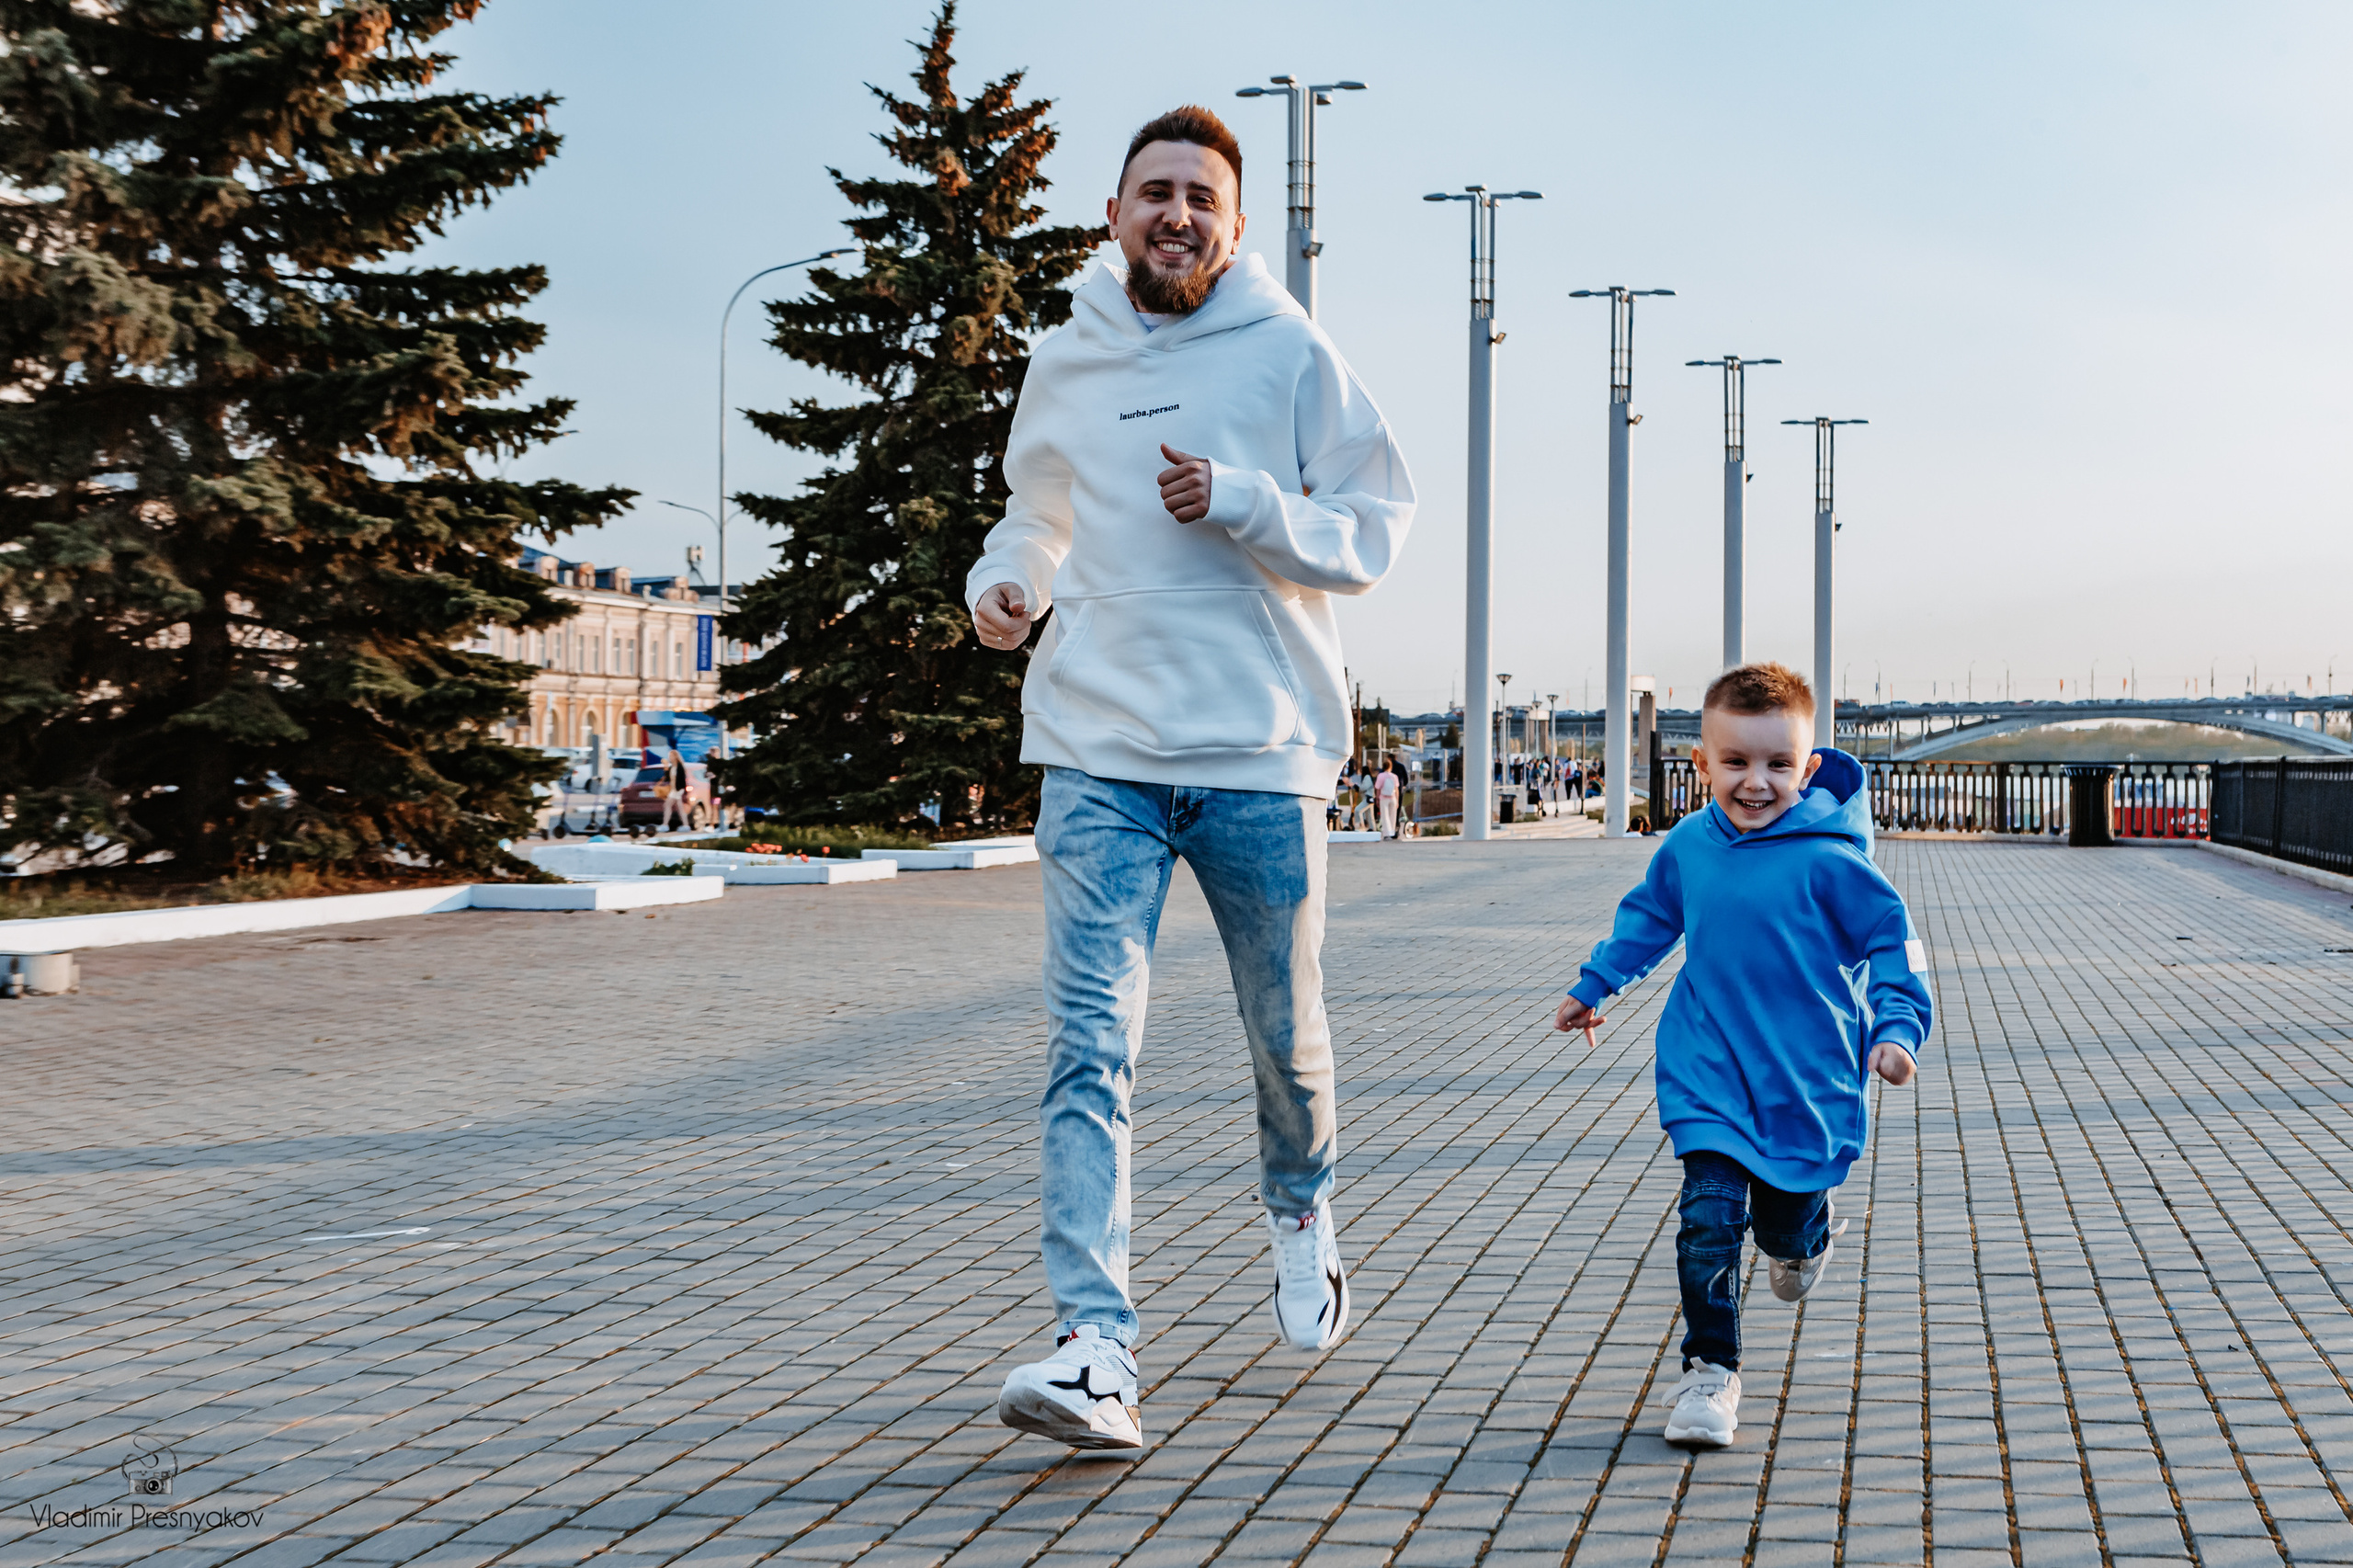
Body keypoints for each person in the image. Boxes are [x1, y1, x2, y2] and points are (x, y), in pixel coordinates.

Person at [968, 105, 1415, 1452]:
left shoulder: (1290, 353)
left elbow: (1373, 529)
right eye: (1152, 192)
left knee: (1283, 1033)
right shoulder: (1070, 356)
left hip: (1258, 752)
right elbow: (1035, 513)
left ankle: (1299, 1204)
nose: (1176, 214)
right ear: (1113, 217)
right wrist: (1007, 583)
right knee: (1086, 1048)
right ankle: (1097, 1348)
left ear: (1233, 224)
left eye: (1200, 198)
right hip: (1096, 745)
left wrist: (1245, 500)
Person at [1552, 663, 1929, 1449]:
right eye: (1736, 763)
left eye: (1777, 765)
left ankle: (1805, 1237)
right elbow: (1649, 920)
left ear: (1808, 766)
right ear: (1703, 764)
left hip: (1807, 1080)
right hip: (1710, 1071)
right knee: (1709, 1215)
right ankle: (1709, 1374)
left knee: (1782, 1229)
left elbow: (1895, 945)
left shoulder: (1834, 860)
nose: (1756, 783)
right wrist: (1598, 985)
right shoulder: (1691, 845)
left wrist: (1897, 1031)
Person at [656, 746, 691, 832]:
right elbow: (668, 778)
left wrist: (680, 789)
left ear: (676, 756)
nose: (670, 758)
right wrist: (665, 767)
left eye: (671, 756)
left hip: (678, 790)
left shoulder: (680, 767)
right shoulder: (672, 767)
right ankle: (684, 825)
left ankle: (666, 825)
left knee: (669, 805)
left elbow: (682, 779)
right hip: (673, 790)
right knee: (678, 807)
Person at [1375, 758, 1400, 839]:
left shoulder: (1381, 776)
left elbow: (1378, 788)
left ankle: (1386, 834)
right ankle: (1392, 832)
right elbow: (1396, 789)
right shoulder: (1394, 776)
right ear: (1391, 766)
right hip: (1393, 797)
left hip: (1384, 798)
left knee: (1385, 816)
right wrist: (1397, 800)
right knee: (1392, 816)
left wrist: (1377, 799)